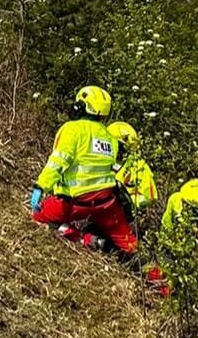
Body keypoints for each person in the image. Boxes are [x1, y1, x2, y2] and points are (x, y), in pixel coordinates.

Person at [26, 85, 139, 262]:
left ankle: (83, 238)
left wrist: (41, 186)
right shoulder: (110, 138)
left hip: (74, 202)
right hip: (107, 203)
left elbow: (58, 161)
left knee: (39, 217)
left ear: (81, 106)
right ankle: (158, 277)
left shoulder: (72, 129)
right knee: (131, 245)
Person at [107, 121, 158, 213]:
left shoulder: (139, 166)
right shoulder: (100, 163)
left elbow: (150, 197)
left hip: (126, 215)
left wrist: (131, 202)